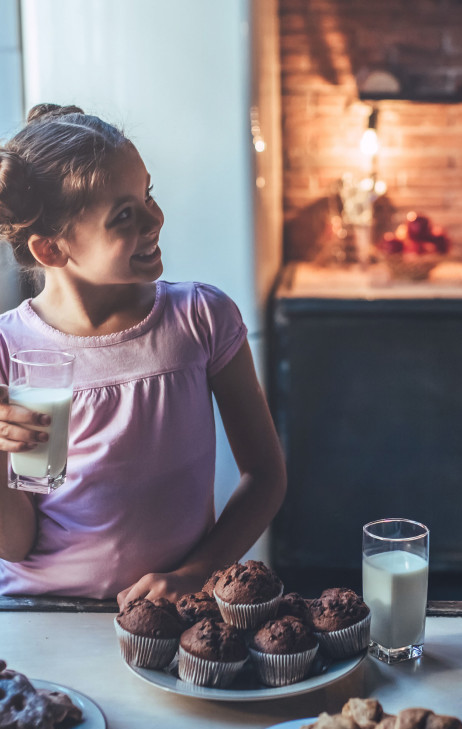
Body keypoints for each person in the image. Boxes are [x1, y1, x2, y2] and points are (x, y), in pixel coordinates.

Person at [0, 104, 287, 607]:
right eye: (125, 216)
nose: (156, 219)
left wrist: (197, 574)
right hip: (38, 610)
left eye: (148, 195)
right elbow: (15, 543)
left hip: (172, 609)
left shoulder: (200, 319)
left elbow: (265, 476)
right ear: (50, 250)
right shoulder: (13, 350)